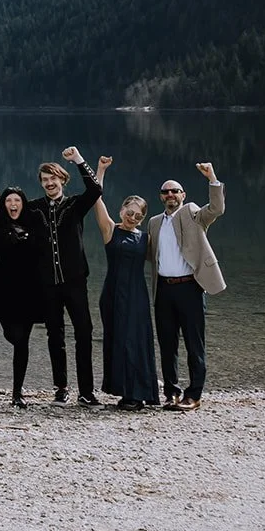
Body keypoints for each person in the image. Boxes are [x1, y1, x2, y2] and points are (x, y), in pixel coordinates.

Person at [0, 140, 52, 407]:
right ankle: (16, 389)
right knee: (12, 335)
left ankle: (17, 394)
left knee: (23, 341)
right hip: (4, 286)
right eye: (8, 200)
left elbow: (44, 247)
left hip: (29, 286)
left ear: (22, 203)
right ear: (3, 203)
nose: (13, 204)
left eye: (17, 200)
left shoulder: (34, 220)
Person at [25, 146, 103, 405]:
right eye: (45, 180)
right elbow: (10, 209)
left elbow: (95, 189)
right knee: (55, 336)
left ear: (62, 180)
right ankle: (61, 388)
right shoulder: (34, 209)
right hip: (47, 284)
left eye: (53, 179)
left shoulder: (75, 205)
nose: (49, 183)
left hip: (75, 280)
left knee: (84, 332)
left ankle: (86, 391)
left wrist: (79, 160)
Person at [147, 162, 225, 411]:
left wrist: (211, 177)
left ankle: (194, 395)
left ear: (183, 195)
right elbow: (151, 253)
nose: (170, 194)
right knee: (167, 344)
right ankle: (171, 392)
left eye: (175, 191)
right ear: (161, 197)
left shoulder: (194, 214)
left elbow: (217, 208)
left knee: (194, 344)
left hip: (190, 288)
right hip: (164, 290)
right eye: (165, 192)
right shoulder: (154, 222)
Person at [92, 159, 159, 410]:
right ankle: (124, 391)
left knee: (137, 340)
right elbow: (96, 198)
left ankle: (139, 393)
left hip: (137, 295)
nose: (132, 218)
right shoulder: (110, 229)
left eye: (138, 216)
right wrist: (101, 170)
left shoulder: (146, 238)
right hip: (112, 294)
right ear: (121, 210)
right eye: (129, 213)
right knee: (117, 340)